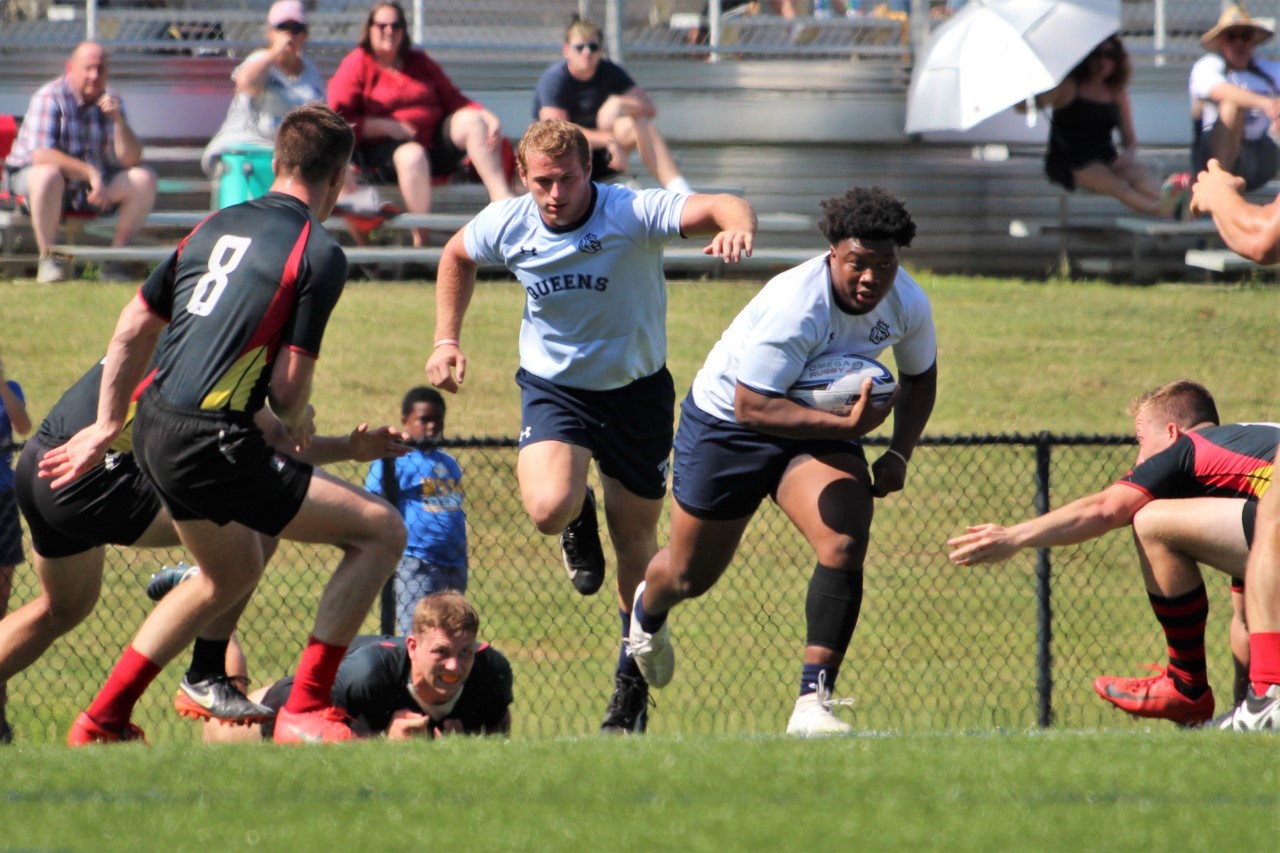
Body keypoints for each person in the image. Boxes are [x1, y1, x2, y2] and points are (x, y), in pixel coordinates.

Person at [39, 103, 407, 746]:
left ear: (276, 164)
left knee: (230, 568)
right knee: (380, 531)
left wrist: (106, 425)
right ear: (340, 177)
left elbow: (131, 328)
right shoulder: (319, 251)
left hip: (152, 427)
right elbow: (289, 387)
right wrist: (294, 423)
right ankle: (308, 707)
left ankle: (105, 720)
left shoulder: (213, 223)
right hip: (209, 439)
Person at [426, 119, 755, 734]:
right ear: (523, 178)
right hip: (557, 391)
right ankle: (575, 512)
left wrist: (737, 226)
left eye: (568, 180)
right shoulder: (510, 222)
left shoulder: (629, 211)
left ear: (590, 173)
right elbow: (456, 254)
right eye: (543, 182)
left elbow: (719, 204)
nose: (556, 195)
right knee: (549, 507)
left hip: (637, 395)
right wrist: (447, 339)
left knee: (636, 544)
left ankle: (629, 685)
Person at [627, 186, 936, 736]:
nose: (871, 278)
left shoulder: (906, 301)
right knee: (688, 575)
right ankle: (647, 614)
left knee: (843, 542)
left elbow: (921, 376)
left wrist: (898, 452)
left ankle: (811, 704)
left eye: (884, 265)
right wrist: (845, 427)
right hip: (729, 425)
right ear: (833, 255)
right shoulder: (797, 306)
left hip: (814, 428)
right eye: (858, 264)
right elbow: (752, 405)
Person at [6, 352, 406, 744]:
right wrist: (296, 410)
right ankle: (206, 663)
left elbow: (275, 440)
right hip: (92, 473)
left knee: (60, 609)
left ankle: (206, 598)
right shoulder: (229, 340)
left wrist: (349, 449)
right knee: (251, 528)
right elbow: (278, 431)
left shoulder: (198, 322)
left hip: (43, 464)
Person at [947, 380, 1277, 727]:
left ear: (1171, 432)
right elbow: (1245, 618)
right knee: (1248, 601)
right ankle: (1254, 711)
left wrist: (1015, 535)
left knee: (1149, 521)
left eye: (1141, 440)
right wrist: (1244, 711)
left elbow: (1106, 508)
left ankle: (1185, 686)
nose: (1139, 457)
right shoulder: (1251, 451)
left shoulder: (1188, 448)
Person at [202, 591, 512, 742]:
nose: (454, 666)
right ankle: (213, 606)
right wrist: (383, 740)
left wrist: (474, 741)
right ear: (413, 647)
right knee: (219, 729)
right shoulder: (366, 674)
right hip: (301, 706)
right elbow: (304, 733)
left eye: (466, 653)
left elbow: (499, 726)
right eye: (441, 652)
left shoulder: (491, 674)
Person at [328, 1, 513, 247]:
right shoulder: (358, 63)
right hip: (382, 154)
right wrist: (385, 126)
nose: (389, 31)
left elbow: (454, 98)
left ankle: (501, 200)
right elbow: (338, 118)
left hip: (432, 145)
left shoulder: (419, 61)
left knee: (471, 120)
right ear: (369, 29)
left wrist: (487, 116)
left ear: (404, 30)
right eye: (381, 25)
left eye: (395, 25)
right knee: (412, 155)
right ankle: (421, 240)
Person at [2, 41, 157, 284]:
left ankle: (116, 261)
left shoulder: (113, 100)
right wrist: (91, 174)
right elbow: (41, 155)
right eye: (88, 68)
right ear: (70, 68)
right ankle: (50, 259)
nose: (94, 76)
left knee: (143, 178)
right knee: (48, 175)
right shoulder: (50, 97)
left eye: (100, 69)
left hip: (88, 187)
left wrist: (119, 122)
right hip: (35, 182)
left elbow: (131, 158)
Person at [1031, 35, 1188, 218]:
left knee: (1138, 175)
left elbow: (1130, 141)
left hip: (1106, 159)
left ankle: (1176, 202)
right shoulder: (1069, 87)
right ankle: (1164, 210)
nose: (1103, 61)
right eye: (1097, 54)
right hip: (1071, 162)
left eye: (1110, 55)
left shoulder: (1116, 93)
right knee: (1118, 185)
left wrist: (1127, 156)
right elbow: (1028, 105)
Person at [534, 19, 694, 193]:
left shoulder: (609, 71)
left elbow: (649, 107)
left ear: (601, 49)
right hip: (566, 159)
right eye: (579, 47)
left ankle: (681, 191)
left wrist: (619, 102)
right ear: (566, 50)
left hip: (607, 156)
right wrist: (607, 140)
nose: (587, 52)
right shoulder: (554, 79)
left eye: (593, 47)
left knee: (640, 123)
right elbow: (557, 130)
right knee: (560, 140)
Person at [366, 386, 467, 636]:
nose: (432, 426)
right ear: (405, 421)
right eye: (424, 419)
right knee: (418, 632)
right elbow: (373, 499)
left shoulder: (448, 462)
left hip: (453, 562)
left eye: (437, 420)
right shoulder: (396, 457)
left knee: (451, 633)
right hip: (416, 559)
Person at [200, 1, 326, 178]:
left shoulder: (310, 71)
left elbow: (319, 115)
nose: (289, 34)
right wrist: (276, 51)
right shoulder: (260, 60)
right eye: (282, 28)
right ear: (270, 32)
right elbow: (246, 85)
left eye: (296, 28)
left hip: (286, 157)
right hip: (244, 150)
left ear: (304, 35)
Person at [1189, 5, 1280, 193]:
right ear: (1222, 41)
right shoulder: (1208, 66)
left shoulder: (1269, 71)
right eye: (1232, 37)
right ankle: (1218, 190)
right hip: (1212, 155)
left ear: (1252, 41)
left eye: (1245, 36)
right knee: (1232, 106)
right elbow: (1220, 91)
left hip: (1260, 155)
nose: (1239, 43)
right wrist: (1266, 103)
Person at [0, 348, 31, 744]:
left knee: (2, 613)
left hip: (3, 504)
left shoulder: (10, 390)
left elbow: (23, 426)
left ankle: (0, 720)